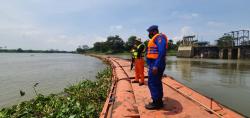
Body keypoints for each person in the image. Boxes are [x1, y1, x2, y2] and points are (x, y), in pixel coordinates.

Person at [145, 25, 168, 110]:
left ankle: (156, 103)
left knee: (152, 83)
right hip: (155, 63)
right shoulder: (155, 38)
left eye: (149, 32)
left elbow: (162, 51)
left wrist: (155, 65)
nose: (149, 34)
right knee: (157, 82)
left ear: (154, 31)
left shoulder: (159, 37)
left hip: (156, 64)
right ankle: (158, 101)